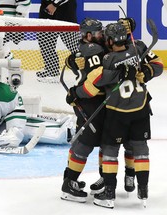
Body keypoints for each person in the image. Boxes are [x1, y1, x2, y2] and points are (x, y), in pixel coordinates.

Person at [78, 22, 163, 208]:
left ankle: (109, 193)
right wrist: (145, 71)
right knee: (140, 148)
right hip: (141, 109)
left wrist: (77, 92)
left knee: (110, 151)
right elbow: (158, 64)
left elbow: (96, 80)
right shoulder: (138, 48)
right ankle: (143, 189)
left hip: (117, 113)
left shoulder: (107, 59)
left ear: (109, 40)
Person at [60, 17, 140, 202]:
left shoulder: (89, 46)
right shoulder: (93, 49)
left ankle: (101, 179)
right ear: (88, 35)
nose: (101, 35)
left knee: (106, 142)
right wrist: (123, 71)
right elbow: (102, 77)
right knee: (86, 143)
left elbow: (111, 45)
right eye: (97, 33)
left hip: (99, 101)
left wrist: (125, 29)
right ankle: (69, 182)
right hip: (90, 101)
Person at [36, 0, 79, 83]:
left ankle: (87, 71)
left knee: (74, 45)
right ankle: (52, 71)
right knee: (45, 42)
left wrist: (54, 4)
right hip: (47, 9)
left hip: (65, 10)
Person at [0, 0, 31, 68]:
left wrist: (17, 23)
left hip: (7, 22)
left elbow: (25, 2)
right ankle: (13, 67)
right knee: (2, 47)